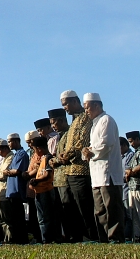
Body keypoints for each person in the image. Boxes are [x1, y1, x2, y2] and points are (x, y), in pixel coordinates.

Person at [81, 93, 124, 243]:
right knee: (99, 210)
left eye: (87, 108)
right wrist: (86, 151)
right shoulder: (95, 124)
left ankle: (115, 238)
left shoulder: (107, 120)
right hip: (97, 174)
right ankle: (103, 238)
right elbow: (91, 149)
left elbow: (106, 145)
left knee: (111, 208)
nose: (86, 111)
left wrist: (90, 151)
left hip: (108, 172)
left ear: (97, 105)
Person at [57, 91, 99, 241]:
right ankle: (81, 237)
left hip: (81, 170)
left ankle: (92, 237)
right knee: (74, 209)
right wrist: (62, 155)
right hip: (69, 171)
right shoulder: (74, 121)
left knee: (85, 207)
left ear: (75, 101)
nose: (65, 108)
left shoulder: (85, 117)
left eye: (66, 104)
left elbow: (83, 141)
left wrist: (67, 155)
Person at [48, 107, 81, 242]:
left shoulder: (69, 134)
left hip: (67, 176)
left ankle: (75, 235)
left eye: (54, 123)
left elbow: (64, 156)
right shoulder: (60, 136)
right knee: (63, 210)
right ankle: (68, 235)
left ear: (61, 120)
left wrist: (54, 160)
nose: (53, 126)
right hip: (58, 178)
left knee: (70, 208)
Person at [1, 133, 29, 244]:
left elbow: (16, 171)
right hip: (12, 190)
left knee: (19, 217)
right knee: (13, 217)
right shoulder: (16, 154)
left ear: (16, 141)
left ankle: (21, 239)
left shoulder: (22, 154)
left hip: (17, 189)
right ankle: (17, 239)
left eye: (9, 141)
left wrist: (7, 172)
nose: (8, 144)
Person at [27, 135, 56, 243]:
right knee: (42, 217)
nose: (35, 153)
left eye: (34, 150)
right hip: (39, 191)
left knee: (45, 217)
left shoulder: (48, 158)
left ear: (39, 148)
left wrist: (37, 181)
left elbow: (47, 175)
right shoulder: (43, 159)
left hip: (46, 190)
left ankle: (47, 239)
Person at [119, 137, 133, 239]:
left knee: (129, 214)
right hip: (121, 189)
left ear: (124, 145)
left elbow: (127, 173)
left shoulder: (130, 155)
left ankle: (129, 235)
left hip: (128, 189)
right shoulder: (120, 156)